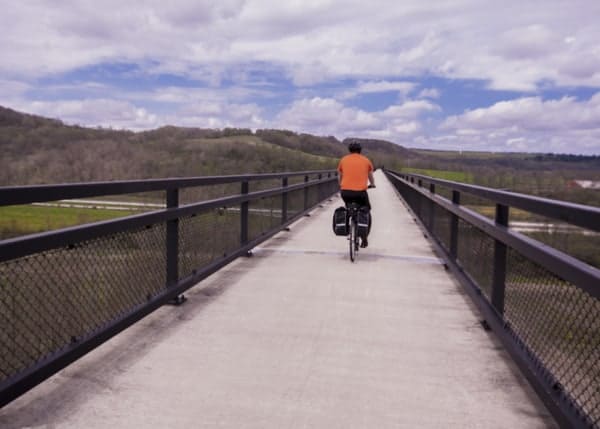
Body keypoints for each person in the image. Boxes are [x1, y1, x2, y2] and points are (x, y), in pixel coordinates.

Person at [337, 140, 375, 247]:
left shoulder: (343, 160)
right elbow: (370, 176)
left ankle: (348, 225)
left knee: (348, 208)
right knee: (366, 210)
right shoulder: (366, 160)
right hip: (360, 193)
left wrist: (341, 185)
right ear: (360, 150)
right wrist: (372, 184)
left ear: (349, 150)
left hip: (346, 192)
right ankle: (364, 239)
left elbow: (339, 175)